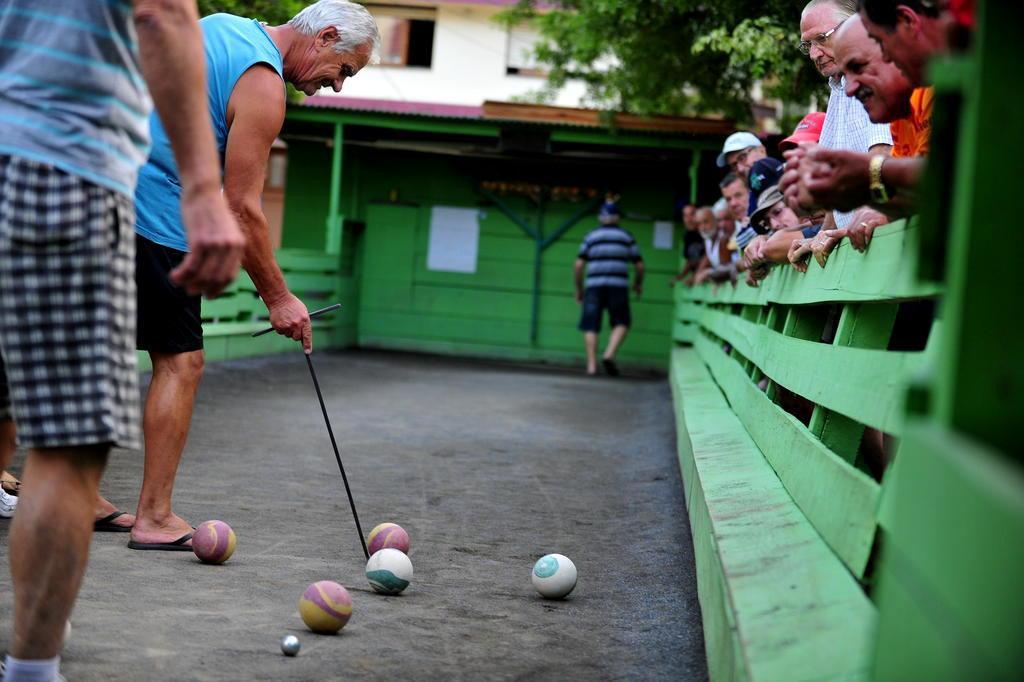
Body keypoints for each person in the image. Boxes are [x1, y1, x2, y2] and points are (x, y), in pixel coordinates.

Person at [0, 0, 244, 677]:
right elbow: (161, 9)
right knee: (67, 442)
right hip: (55, 167)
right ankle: (29, 670)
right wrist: (202, 186)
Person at [127, 0, 381, 551]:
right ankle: (153, 516)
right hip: (153, 211)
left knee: (76, 345)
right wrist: (280, 298)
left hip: (96, 187)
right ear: (326, 36)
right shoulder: (264, 86)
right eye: (343, 70)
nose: (336, 87)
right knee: (181, 362)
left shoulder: (221, 27)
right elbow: (241, 208)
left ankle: (74, 494)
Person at [792, 0, 891, 242]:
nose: (814, 53)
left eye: (822, 38)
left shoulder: (876, 69)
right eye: (808, 45)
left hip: (881, 235)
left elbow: (883, 153)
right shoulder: (838, 85)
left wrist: (872, 209)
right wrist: (823, 235)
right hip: (860, 237)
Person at [574, 200, 644, 376]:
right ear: (617, 217)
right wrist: (637, 283)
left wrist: (579, 288)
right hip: (618, 286)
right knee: (622, 321)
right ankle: (609, 354)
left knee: (590, 324)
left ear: (601, 217)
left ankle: (591, 366)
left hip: (593, 286)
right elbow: (639, 265)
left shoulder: (590, 236)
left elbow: (578, 265)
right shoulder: (626, 237)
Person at [671, 202, 705, 286]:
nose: (689, 219)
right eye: (685, 215)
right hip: (699, 278)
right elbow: (690, 261)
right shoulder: (687, 236)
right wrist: (680, 277)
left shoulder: (706, 232)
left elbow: (708, 257)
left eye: (692, 214)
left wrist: (695, 275)